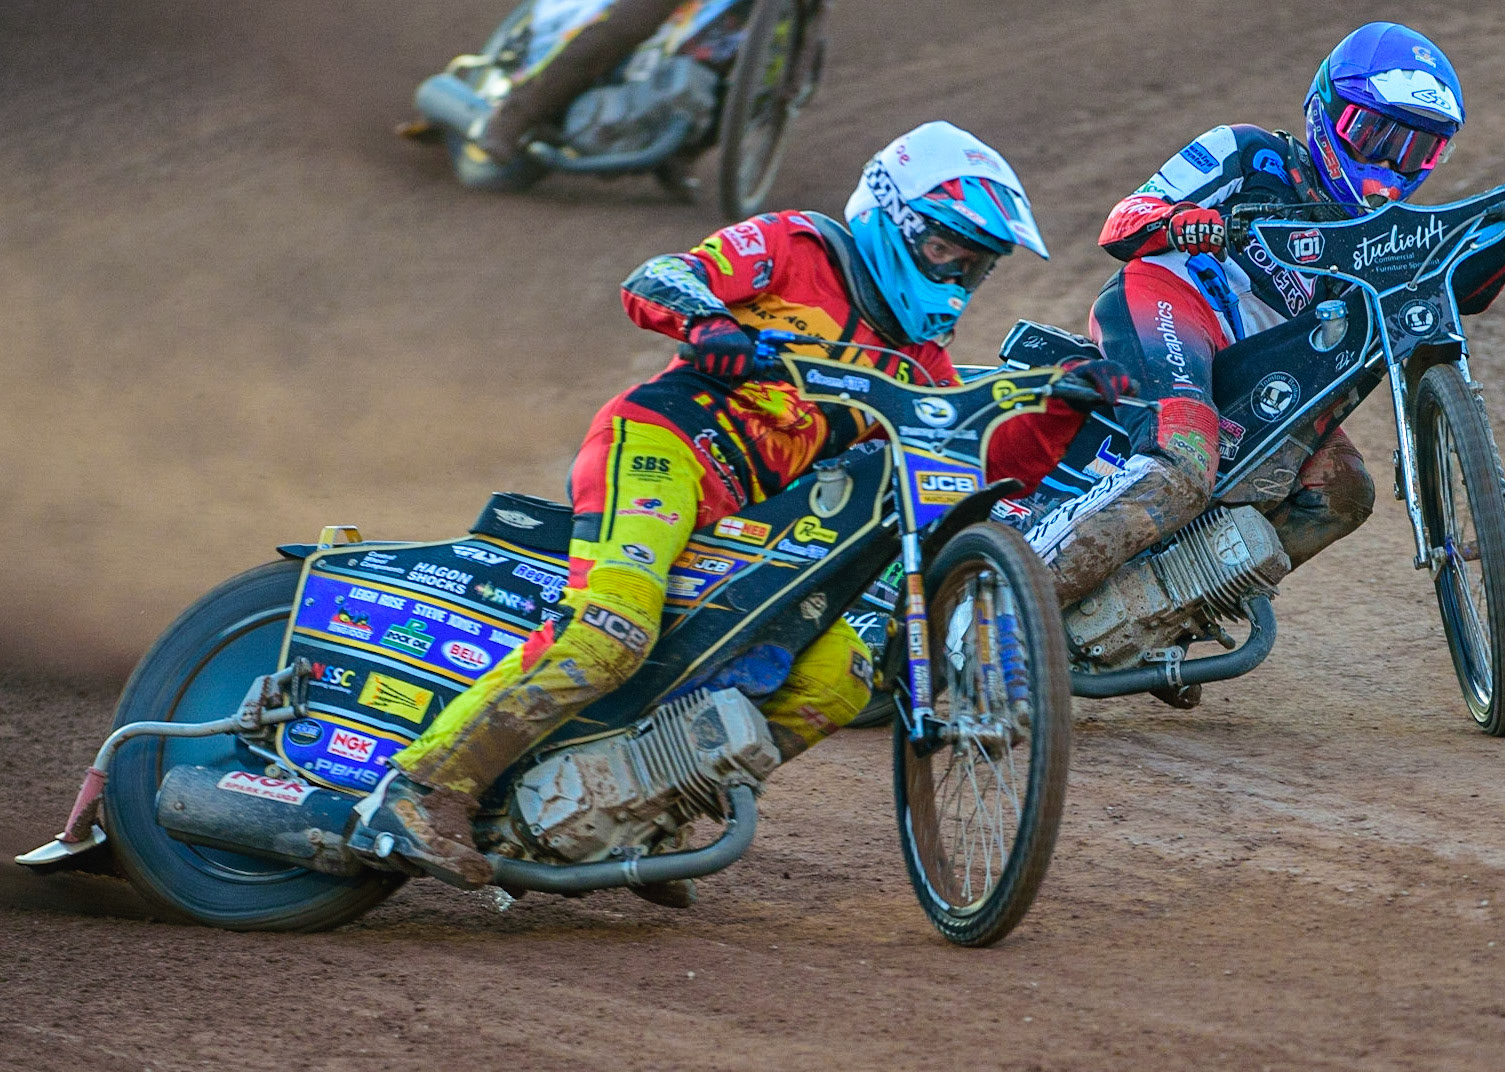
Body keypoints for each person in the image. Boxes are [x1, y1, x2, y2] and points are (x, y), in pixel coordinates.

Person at [353, 121, 1120, 891]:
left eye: (975, 264)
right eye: (946, 249)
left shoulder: (922, 365)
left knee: (837, 679)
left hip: (755, 518)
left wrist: (1068, 409)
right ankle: (421, 790)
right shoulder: (795, 245)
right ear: (895, 219)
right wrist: (710, 323)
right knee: (609, 634)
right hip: (663, 448)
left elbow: (980, 461)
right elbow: (659, 275)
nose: (957, 277)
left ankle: (651, 803)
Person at [1042, 21, 1505, 706]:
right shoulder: (1246, 152)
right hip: (1171, 305)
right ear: (1324, 111)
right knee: (1183, 464)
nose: (1390, 163)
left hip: (1267, 374)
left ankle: (1167, 621)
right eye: (1375, 137)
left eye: (1413, 148)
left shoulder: (1383, 236)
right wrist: (1182, 220)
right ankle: (1009, 620)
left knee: (1343, 491)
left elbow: (1463, 287)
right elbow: (1122, 220)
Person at [473, 0, 846, 164]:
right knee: (642, 12)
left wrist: (790, 88)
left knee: (741, 54)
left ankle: (678, 151)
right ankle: (514, 114)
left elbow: (820, 3)